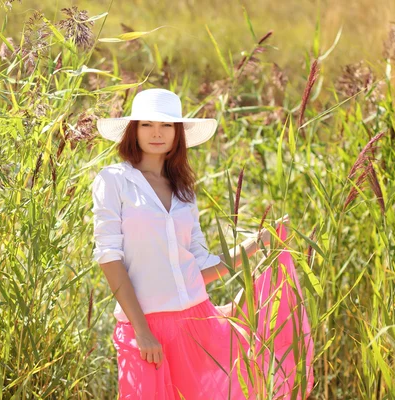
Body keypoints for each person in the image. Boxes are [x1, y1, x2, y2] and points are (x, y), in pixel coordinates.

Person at [91, 88, 313, 399]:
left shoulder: (184, 192)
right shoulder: (113, 180)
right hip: (145, 327)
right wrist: (142, 331)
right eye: (147, 125)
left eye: (166, 125)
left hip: (198, 322)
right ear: (133, 130)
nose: (157, 133)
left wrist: (257, 244)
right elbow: (108, 256)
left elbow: (199, 267)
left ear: (177, 133)